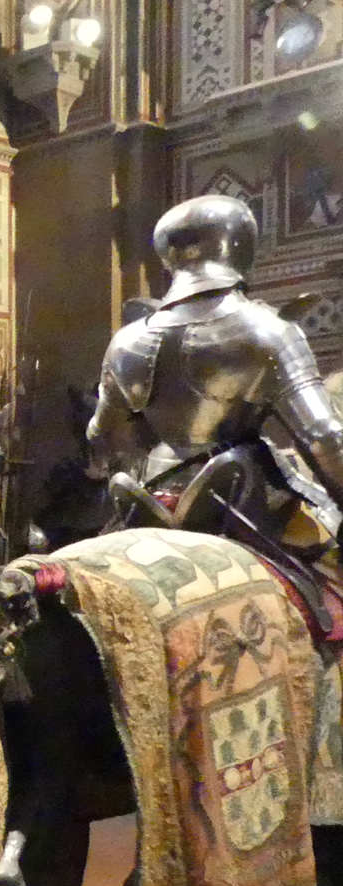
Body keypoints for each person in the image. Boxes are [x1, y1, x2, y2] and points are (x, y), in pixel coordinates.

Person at [88, 194, 343, 611]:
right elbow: (324, 436)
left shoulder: (126, 341)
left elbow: (102, 438)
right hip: (243, 502)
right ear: (240, 247)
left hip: (151, 497)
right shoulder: (264, 329)